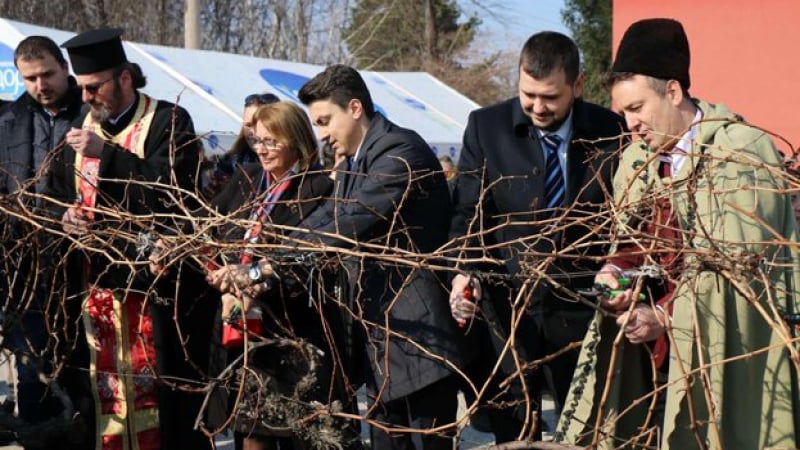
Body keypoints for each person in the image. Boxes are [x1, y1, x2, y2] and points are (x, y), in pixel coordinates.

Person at [555, 18, 800, 449]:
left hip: (726, 354)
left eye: (636, 109)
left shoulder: (738, 153)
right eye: (622, 113)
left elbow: (736, 268)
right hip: (649, 361)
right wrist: (614, 274)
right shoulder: (636, 161)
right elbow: (632, 243)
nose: (629, 125)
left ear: (673, 91)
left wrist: (666, 317)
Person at [446, 31, 624, 443]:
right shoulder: (485, 127)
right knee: (515, 429)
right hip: (508, 309)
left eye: (550, 97)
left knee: (586, 428)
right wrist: (464, 272)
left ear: (577, 86)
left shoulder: (610, 130)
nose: (537, 107)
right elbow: (469, 213)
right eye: (528, 95)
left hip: (581, 307)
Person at [282, 64, 470, 450]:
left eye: (324, 121)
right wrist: (273, 246)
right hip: (381, 348)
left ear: (354, 108)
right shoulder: (354, 162)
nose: (321, 135)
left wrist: (276, 258)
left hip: (419, 345)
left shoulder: (400, 151)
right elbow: (328, 213)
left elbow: (351, 219)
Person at [47, 28, 212, 450]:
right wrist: (64, 213)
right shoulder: (77, 127)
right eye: (81, 89)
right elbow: (52, 193)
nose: (86, 98)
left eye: (94, 87)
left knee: (164, 404)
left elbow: (174, 196)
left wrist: (109, 154)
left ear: (124, 79)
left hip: (152, 289)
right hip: (94, 290)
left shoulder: (168, 120)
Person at [199, 101, 359, 450]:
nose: (262, 150)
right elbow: (208, 228)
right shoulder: (246, 182)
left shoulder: (317, 188)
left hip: (294, 332)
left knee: (303, 433)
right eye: (257, 141)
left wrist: (255, 279)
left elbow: (308, 260)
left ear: (295, 140)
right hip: (245, 337)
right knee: (252, 433)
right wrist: (219, 270)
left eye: (272, 141)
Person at [0, 35, 83, 435]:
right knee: (31, 366)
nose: (40, 85)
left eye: (47, 74)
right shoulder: (7, 121)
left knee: (82, 369)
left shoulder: (91, 114)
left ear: (65, 67)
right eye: (30, 78)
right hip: (25, 267)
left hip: (84, 261)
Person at [203, 92, 279, 198]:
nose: (253, 132)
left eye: (258, 124)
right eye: (248, 125)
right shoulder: (231, 162)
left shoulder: (288, 164)